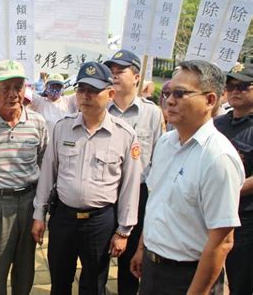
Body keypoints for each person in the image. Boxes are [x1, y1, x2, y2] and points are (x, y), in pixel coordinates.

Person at [130, 60, 245, 295]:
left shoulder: (218, 158)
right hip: (153, 267)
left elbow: (222, 241)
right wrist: (143, 247)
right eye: (169, 92)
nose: (170, 100)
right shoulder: (165, 143)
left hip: (188, 276)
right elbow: (157, 200)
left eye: (181, 94)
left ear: (210, 100)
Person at [32, 61, 142, 294]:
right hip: (64, 218)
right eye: (81, 89)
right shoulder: (62, 128)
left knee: (93, 285)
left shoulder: (124, 135)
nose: (86, 96)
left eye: (93, 90)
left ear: (110, 94)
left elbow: (130, 187)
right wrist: (39, 214)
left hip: (100, 222)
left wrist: (123, 231)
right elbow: (47, 174)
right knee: (60, 281)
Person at [0, 60, 49, 295]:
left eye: (18, 86)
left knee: (25, 269)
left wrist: (41, 210)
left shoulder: (38, 123)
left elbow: (43, 162)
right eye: (5, 87)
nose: (13, 94)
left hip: (29, 202)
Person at [103, 49, 164, 295]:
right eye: (112, 72)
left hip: (139, 195)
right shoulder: (102, 109)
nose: (115, 76)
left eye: (121, 72)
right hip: (106, 192)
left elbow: (159, 157)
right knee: (99, 256)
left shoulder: (152, 113)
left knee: (130, 261)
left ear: (137, 77)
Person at [214, 61, 253, 295]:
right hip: (213, 213)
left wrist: (229, 191)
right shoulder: (218, 123)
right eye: (231, 87)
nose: (235, 92)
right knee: (211, 274)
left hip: (245, 219)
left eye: (243, 86)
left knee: (241, 280)